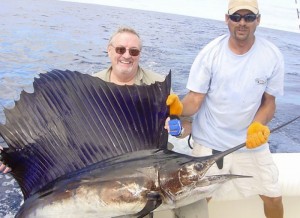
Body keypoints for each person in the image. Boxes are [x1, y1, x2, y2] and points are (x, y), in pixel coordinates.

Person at [165, 0, 284, 218]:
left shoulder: (272, 55)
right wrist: (179, 108)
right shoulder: (210, 53)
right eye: (236, 17)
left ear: (258, 20)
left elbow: (269, 102)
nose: (242, 23)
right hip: (211, 142)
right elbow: (195, 99)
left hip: (250, 142)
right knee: (197, 203)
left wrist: (258, 124)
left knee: (273, 197)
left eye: (249, 17)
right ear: (227, 19)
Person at [93, 27, 208, 218]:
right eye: (121, 49)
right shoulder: (92, 85)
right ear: (109, 50)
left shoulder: (157, 84)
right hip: (109, 167)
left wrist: (177, 128)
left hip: (156, 164)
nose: (127, 56)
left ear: (139, 54)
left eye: (134, 51)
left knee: (197, 206)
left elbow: (187, 127)